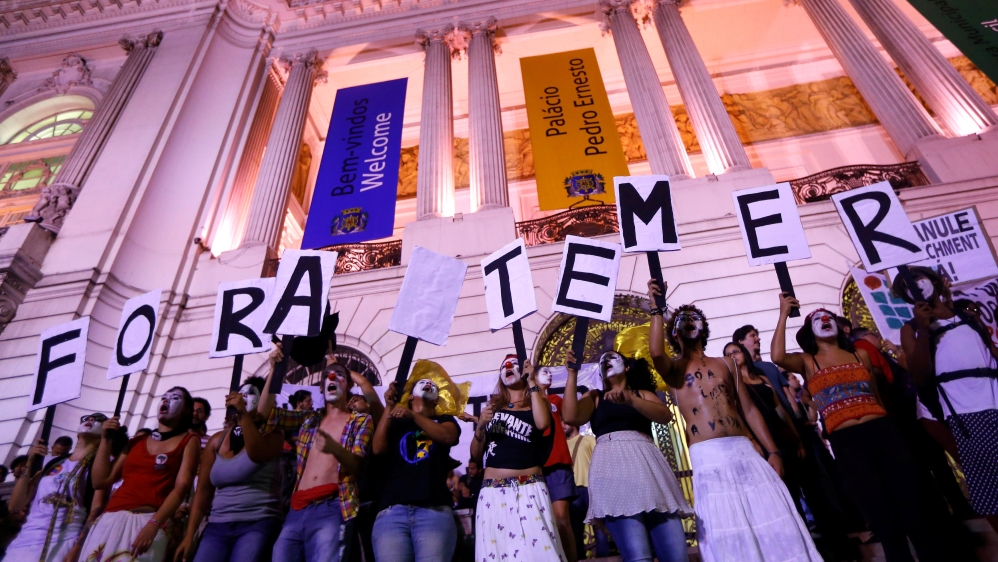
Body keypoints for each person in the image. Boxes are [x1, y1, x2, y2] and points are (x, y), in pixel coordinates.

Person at [648, 280, 819, 562]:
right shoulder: (674, 369)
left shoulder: (726, 364)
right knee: (726, 526)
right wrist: (656, 308)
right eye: (683, 320)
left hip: (743, 448)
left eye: (695, 318)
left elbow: (749, 410)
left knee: (770, 514)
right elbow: (656, 352)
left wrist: (772, 450)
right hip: (707, 455)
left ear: (703, 326)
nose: (689, 321)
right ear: (674, 333)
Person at [772, 294, 949, 561]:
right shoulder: (808, 362)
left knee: (912, 502)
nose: (824, 319)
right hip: (847, 441)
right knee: (878, 508)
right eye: (817, 318)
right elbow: (778, 356)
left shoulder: (861, 354)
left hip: (883, 432)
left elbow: (877, 396)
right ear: (810, 331)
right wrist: (784, 313)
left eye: (828, 316)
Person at [893, 267, 998, 531]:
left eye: (919, 280)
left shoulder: (968, 316)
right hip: (965, 414)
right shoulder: (911, 330)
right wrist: (924, 331)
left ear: (936, 283)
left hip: (995, 401)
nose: (916, 287)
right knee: (991, 490)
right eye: (908, 286)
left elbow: (991, 352)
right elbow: (919, 375)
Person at [561, 348, 690, 562]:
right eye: (602, 361)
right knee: (638, 557)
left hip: (650, 474)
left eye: (613, 358)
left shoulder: (642, 394)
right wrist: (572, 374)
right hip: (613, 477)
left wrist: (630, 400)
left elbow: (665, 416)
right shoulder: (594, 397)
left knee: (676, 556)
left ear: (627, 367)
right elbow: (570, 415)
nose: (606, 361)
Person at [259, 345, 373, 562]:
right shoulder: (309, 419)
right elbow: (265, 415)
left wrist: (335, 448)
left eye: (338, 375)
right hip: (297, 509)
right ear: (321, 387)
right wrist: (274, 371)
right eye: (327, 376)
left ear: (348, 384)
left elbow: (357, 465)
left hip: (332, 507)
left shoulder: (360, 420)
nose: (331, 378)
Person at [82, 387, 201, 562]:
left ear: (186, 409)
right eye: (164, 397)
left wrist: (154, 523)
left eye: (175, 398)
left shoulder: (189, 441)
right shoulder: (136, 442)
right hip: (110, 519)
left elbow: (182, 487)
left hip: (147, 522)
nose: (166, 400)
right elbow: (100, 481)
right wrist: (105, 439)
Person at [175, 376, 284, 562]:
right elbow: (203, 490)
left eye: (251, 394)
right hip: (217, 526)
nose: (243, 397)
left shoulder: (273, 434)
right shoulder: (217, 440)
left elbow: (256, 453)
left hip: (257, 523)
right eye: (242, 393)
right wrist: (189, 535)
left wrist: (244, 415)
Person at [470, 354, 565, 561]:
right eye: (504, 365)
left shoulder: (537, 403)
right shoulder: (492, 408)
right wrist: (479, 426)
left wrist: (532, 382)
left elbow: (542, 424)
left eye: (513, 363)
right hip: (493, 493)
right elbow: (476, 455)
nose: (509, 366)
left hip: (529, 489)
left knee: (540, 553)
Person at [371, 377, 460, 562]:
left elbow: (446, 436)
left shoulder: (444, 420)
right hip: (392, 512)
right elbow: (378, 449)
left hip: (434, 510)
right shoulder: (396, 422)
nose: (428, 384)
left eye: (433, 385)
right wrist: (389, 407)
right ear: (411, 396)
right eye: (423, 383)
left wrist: (412, 416)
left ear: (436, 400)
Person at [2, 413, 109, 562]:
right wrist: (30, 462)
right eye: (87, 418)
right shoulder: (53, 462)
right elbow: (16, 504)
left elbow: (96, 510)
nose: (91, 420)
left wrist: (78, 547)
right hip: (26, 540)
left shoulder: (100, 467)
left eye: (98, 420)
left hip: (64, 542)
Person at [536, 366, 578, 562]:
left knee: (561, 519)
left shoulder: (556, 401)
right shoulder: (527, 403)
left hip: (557, 463)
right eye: (544, 372)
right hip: (536, 467)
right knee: (542, 522)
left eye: (550, 373)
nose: (549, 375)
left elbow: (571, 414)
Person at [732, 325, 798, 418]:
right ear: (741, 342)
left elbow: (787, 394)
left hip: (790, 418)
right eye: (752, 335)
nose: (758, 338)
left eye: (757, 335)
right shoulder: (739, 372)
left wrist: (798, 416)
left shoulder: (770, 365)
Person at [563, 421, 603, 559]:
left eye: (565, 422)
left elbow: (599, 461)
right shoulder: (562, 445)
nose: (562, 425)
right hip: (573, 491)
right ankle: (580, 557)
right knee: (575, 528)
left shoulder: (588, 439)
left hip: (591, 488)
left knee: (599, 524)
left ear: (574, 424)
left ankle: (604, 556)